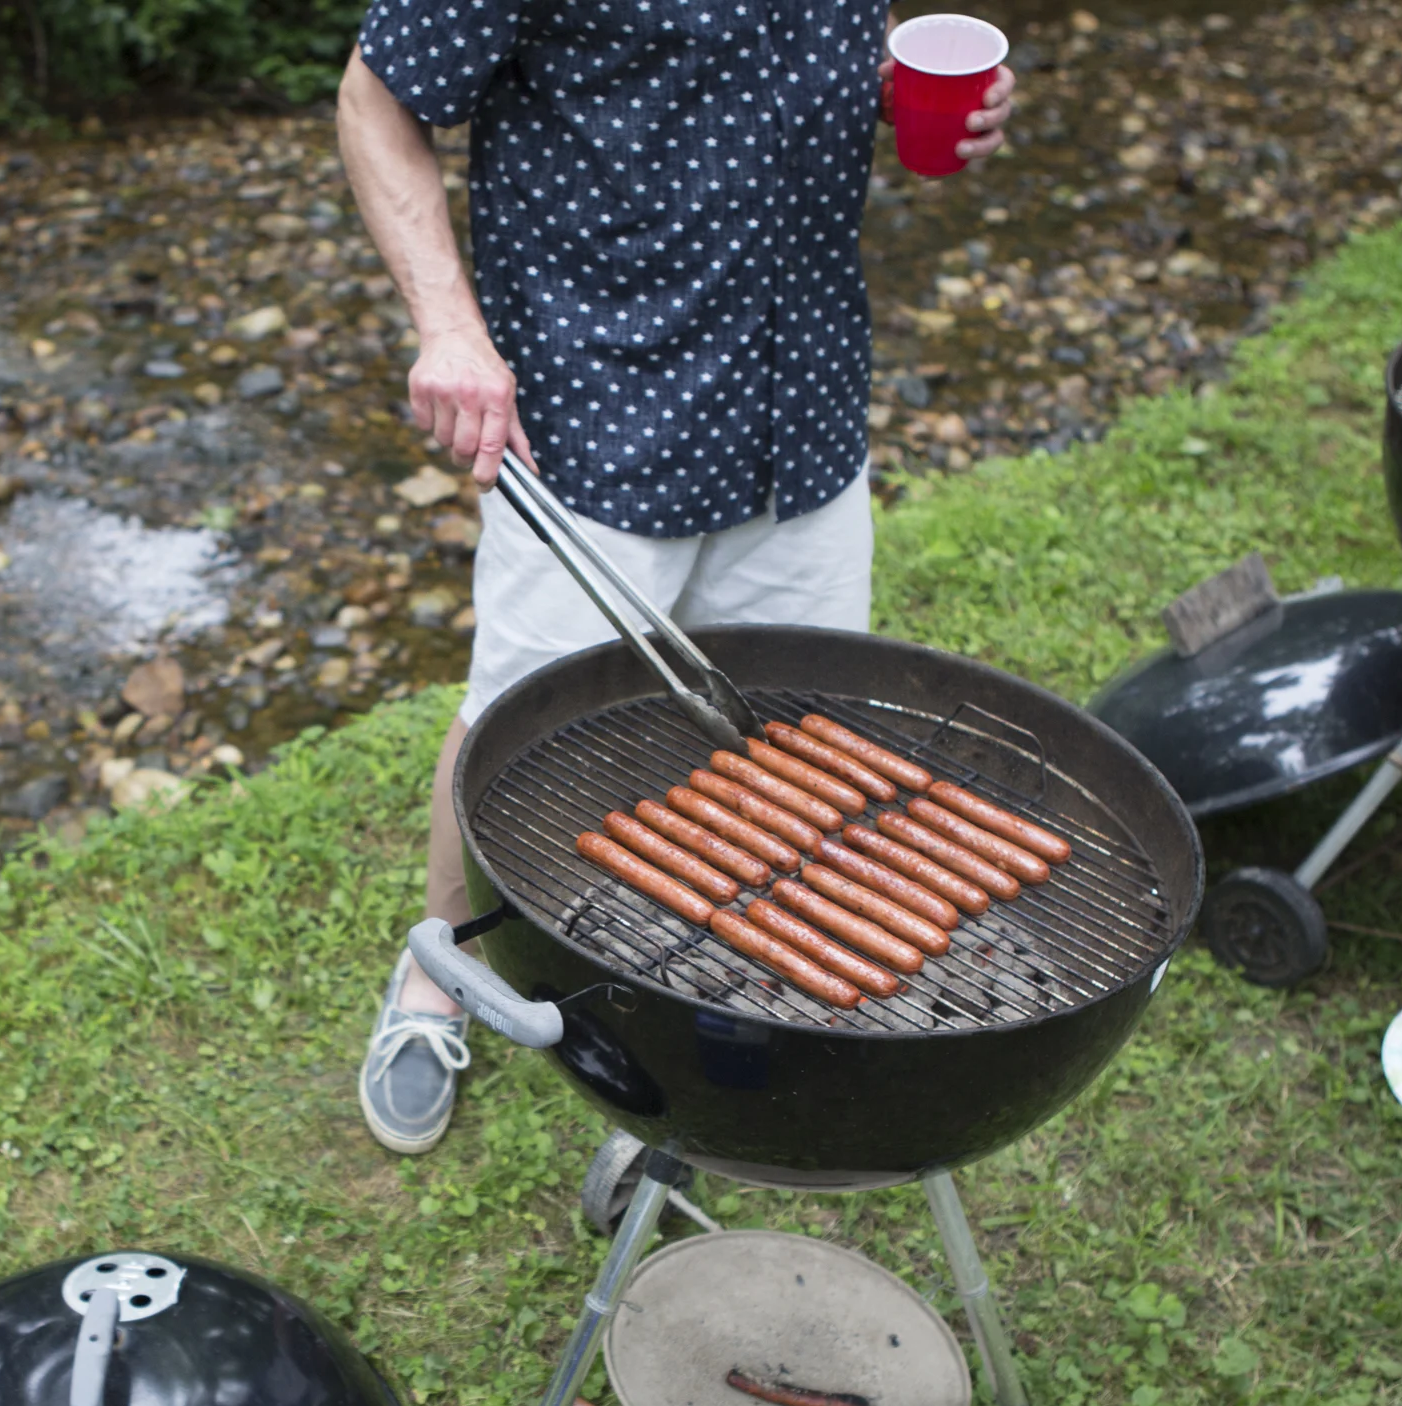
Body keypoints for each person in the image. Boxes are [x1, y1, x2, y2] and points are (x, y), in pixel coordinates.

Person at [338, 1, 1014, 1154]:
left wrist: (903, 91)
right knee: (516, 723)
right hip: (597, 405)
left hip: (800, 399)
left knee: (794, 736)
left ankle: (710, 1010)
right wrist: (447, 328)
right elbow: (376, 96)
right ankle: (437, 976)